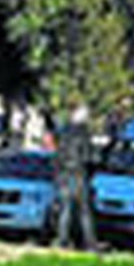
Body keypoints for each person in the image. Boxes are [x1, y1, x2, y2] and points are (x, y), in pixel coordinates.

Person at [52, 105, 97, 252]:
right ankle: (90, 243)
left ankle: (62, 240)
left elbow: (57, 156)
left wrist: (58, 174)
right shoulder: (84, 134)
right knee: (84, 211)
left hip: (64, 173)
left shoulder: (63, 132)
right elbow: (89, 157)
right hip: (79, 174)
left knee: (65, 208)